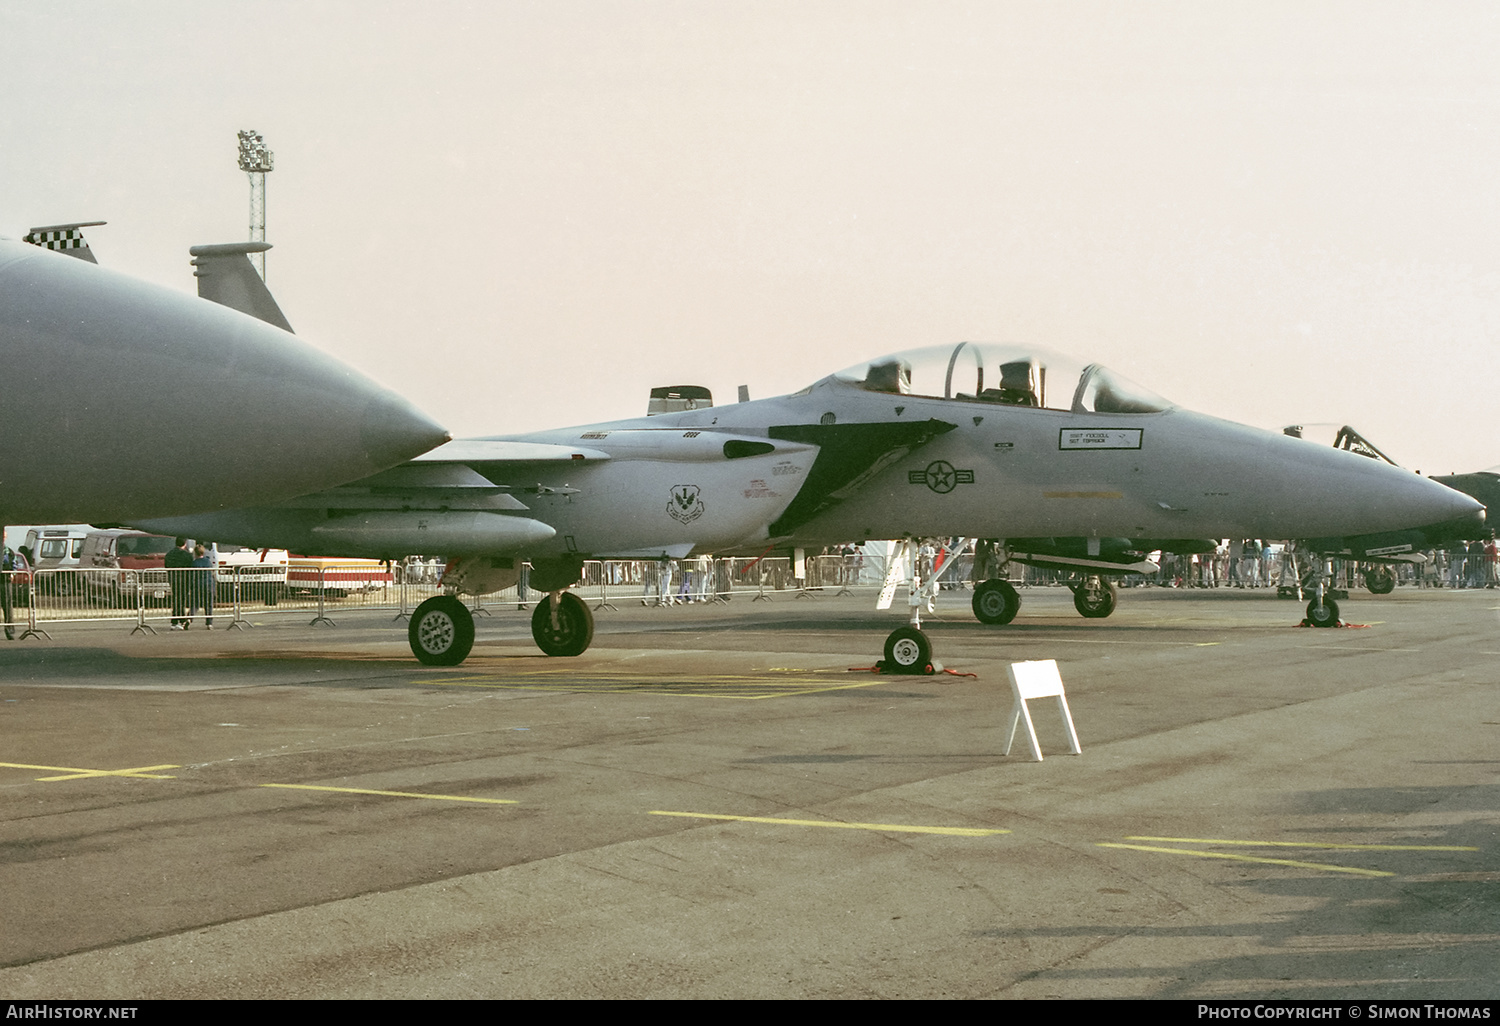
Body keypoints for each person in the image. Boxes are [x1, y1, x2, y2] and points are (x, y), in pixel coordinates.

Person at [165, 537, 193, 628]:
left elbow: (167, 566)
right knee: (181, 599)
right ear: (184, 544)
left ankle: (179, 619)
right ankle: (178, 620)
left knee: (176, 598)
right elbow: (190, 567)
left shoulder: (169, 554)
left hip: (173, 578)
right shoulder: (187, 555)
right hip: (184, 579)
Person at [190, 542, 215, 629]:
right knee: (208, 604)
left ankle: (189, 618)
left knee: (195, 604)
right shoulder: (208, 561)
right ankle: (209, 623)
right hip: (208, 584)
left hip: (198, 585)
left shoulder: (194, 563)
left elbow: (192, 576)